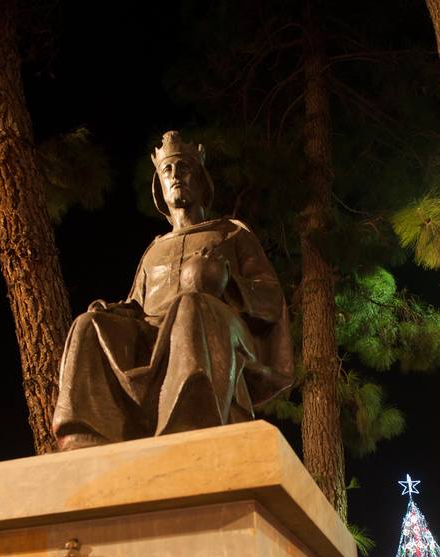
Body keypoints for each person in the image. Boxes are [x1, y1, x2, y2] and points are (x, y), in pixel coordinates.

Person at [53, 131, 294, 449]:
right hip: (154, 337)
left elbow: (270, 295)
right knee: (88, 323)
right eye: (167, 171)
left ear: (201, 179)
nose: (176, 176)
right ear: (160, 187)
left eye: (184, 168)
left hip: (216, 329)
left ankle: (190, 416)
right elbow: (136, 305)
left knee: (190, 305)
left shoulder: (231, 234)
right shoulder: (154, 250)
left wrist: (229, 282)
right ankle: (86, 433)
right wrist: (112, 312)